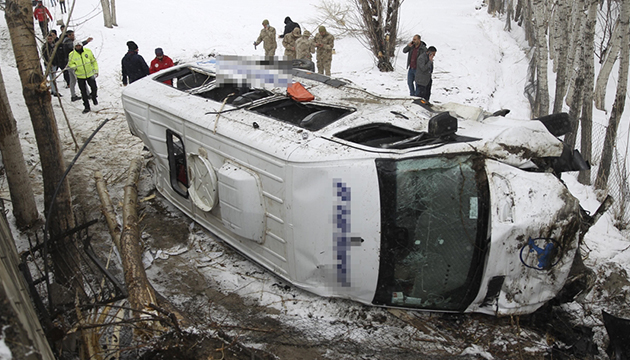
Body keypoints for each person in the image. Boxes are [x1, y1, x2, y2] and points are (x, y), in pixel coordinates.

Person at [67, 40, 98, 113]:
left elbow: (93, 61)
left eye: (79, 46)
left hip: (90, 73)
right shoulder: (72, 54)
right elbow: (70, 64)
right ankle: (86, 106)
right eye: (76, 46)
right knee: (83, 92)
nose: (78, 47)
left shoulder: (88, 51)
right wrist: (75, 66)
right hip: (80, 76)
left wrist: (96, 70)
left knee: (94, 88)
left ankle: (94, 97)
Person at [62, 30, 93, 101]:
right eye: (72, 35)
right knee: (80, 78)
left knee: (72, 80)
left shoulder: (65, 41)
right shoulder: (68, 42)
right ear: (68, 35)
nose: (74, 36)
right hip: (72, 64)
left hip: (68, 64)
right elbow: (75, 46)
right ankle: (87, 94)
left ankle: (73, 95)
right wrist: (86, 41)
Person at [41, 33, 65, 97]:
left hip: (54, 63)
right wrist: (49, 63)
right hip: (49, 64)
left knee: (53, 77)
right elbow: (44, 55)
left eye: (51, 38)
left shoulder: (53, 45)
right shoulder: (45, 46)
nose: (50, 40)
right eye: (48, 39)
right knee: (52, 78)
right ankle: (55, 91)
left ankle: (53, 90)